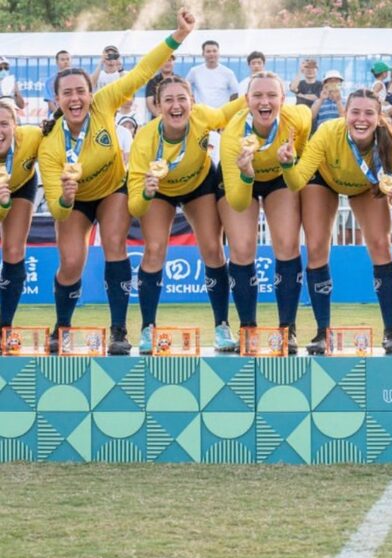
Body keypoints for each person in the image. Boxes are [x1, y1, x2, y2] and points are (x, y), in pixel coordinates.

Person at [37, 7, 195, 355]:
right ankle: (62, 326)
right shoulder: (49, 146)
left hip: (112, 189)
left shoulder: (105, 102)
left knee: (114, 245)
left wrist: (178, 36)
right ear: (58, 100)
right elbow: (56, 209)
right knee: (71, 264)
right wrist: (65, 196)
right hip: (75, 202)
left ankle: (119, 331)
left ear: (91, 93)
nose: (76, 98)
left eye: (81, 91)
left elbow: (142, 71)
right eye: (68, 93)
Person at [278, 89, 392, 354]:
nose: (361, 119)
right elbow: (298, 180)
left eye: (369, 113)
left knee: (381, 246)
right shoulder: (328, 131)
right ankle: (322, 333)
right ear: (345, 113)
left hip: (365, 185)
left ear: (380, 117)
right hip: (322, 180)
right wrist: (289, 165)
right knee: (316, 247)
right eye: (355, 112)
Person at [127, 76, 245, 354]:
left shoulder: (203, 117)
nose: (176, 105)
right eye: (168, 100)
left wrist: (256, 95)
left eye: (182, 98)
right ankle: (148, 330)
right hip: (159, 190)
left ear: (193, 102)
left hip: (199, 183)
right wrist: (145, 192)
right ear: (156, 106)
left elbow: (228, 112)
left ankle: (221, 327)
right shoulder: (144, 139)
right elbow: (134, 206)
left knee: (213, 250)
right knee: (154, 250)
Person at [220, 71, 312, 354]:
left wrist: (293, 161)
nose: (265, 101)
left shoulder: (297, 118)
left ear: (283, 100)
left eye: (272, 95)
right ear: (246, 100)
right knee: (242, 248)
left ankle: (288, 330)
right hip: (242, 179)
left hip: (278, 178)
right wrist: (247, 175)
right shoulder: (233, 136)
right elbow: (236, 201)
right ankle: (248, 328)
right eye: (257, 95)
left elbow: (306, 133)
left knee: (286, 244)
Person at [0, 100, 42, 336]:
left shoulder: (31, 136)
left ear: (15, 126)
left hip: (21, 184)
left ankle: (5, 326)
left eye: (4, 124)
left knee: (14, 251)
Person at [186, 40, 239, 107]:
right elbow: (185, 87)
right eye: (208, 51)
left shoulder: (228, 73)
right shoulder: (194, 71)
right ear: (203, 54)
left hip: (221, 113)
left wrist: (229, 108)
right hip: (201, 112)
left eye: (214, 51)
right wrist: (192, 100)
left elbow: (236, 92)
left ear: (219, 53)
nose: (211, 54)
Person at [44, 50, 72, 115]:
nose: (66, 62)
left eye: (68, 59)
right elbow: (50, 102)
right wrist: (61, 117)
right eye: (62, 59)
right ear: (57, 62)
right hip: (57, 118)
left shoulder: (77, 79)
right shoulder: (50, 81)